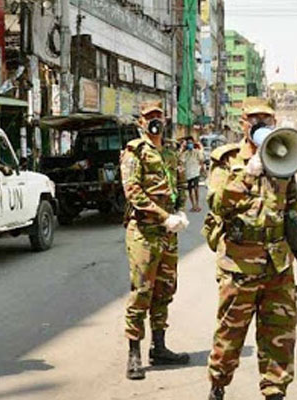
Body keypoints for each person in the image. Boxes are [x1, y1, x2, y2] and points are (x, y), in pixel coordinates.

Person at [204, 97, 297, 400]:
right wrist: (247, 175)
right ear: (242, 123)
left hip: (277, 267)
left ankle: (275, 392)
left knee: (280, 337)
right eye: (253, 118)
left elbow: (293, 215)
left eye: (266, 119)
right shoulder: (227, 159)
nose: (259, 124)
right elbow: (216, 204)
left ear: (274, 122)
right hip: (239, 266)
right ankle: (218, 386)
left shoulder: (284, 155)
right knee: (230, 336)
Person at [120, 100, 190, 380]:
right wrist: (163, 216)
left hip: (168, 233)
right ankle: (134, 354)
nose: (154, 121)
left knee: (165, 290)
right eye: (149, 117)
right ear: (141, 122)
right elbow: (133, 191)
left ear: (165, 119)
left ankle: (158, 347)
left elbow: (180, 183)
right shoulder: (135, 152)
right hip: (144, 231)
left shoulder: (171, 151)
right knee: (142, 291)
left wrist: (180, 210)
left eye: (158, 116)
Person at [181, 136, 205, 212]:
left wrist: (202, 168)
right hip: (188, 173)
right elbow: (181, 160)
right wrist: (182, 149)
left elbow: (201, 159)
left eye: (191, 143)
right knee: (190, 190)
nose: (190, 144)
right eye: (188, 143)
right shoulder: (185, 153)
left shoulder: (197, 152)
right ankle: (193, 205)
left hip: (196, 172)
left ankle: (197, 205)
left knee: (196, 188)